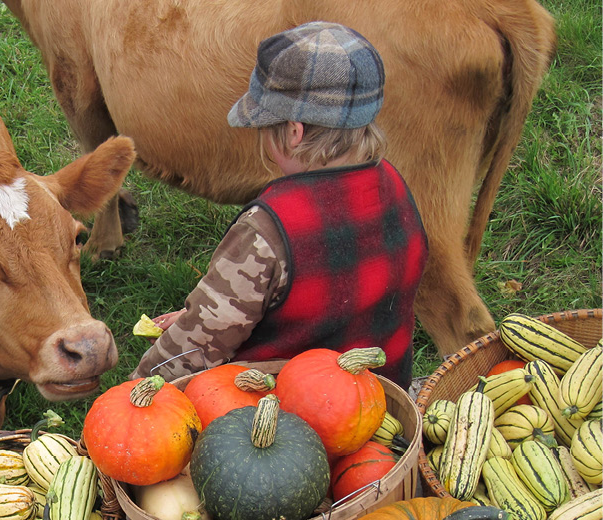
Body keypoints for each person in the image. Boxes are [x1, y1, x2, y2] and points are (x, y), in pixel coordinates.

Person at [133, 21, 428, 389]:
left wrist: (136, 386)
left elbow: (195, 350)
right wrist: (202, 314)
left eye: (265, 128)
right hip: (383, 400)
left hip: (283, 421)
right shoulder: (394, 184)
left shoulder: (269, 229)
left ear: (294, 132)